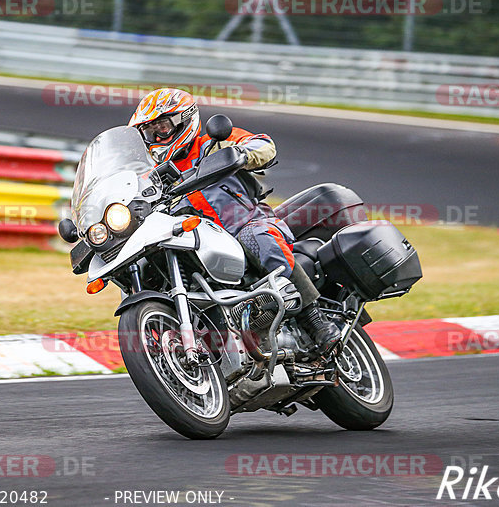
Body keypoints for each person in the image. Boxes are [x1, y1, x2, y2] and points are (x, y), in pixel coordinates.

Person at [128, 88, 341, 356]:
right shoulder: (155, 177)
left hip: (249, 223)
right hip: (203, 244)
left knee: (255, 236)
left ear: (184, 120)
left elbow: (264, 144)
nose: (157, 137)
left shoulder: (213, 143)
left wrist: (240, 154)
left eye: (162, 127)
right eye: (149, 132)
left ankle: (315, 320)